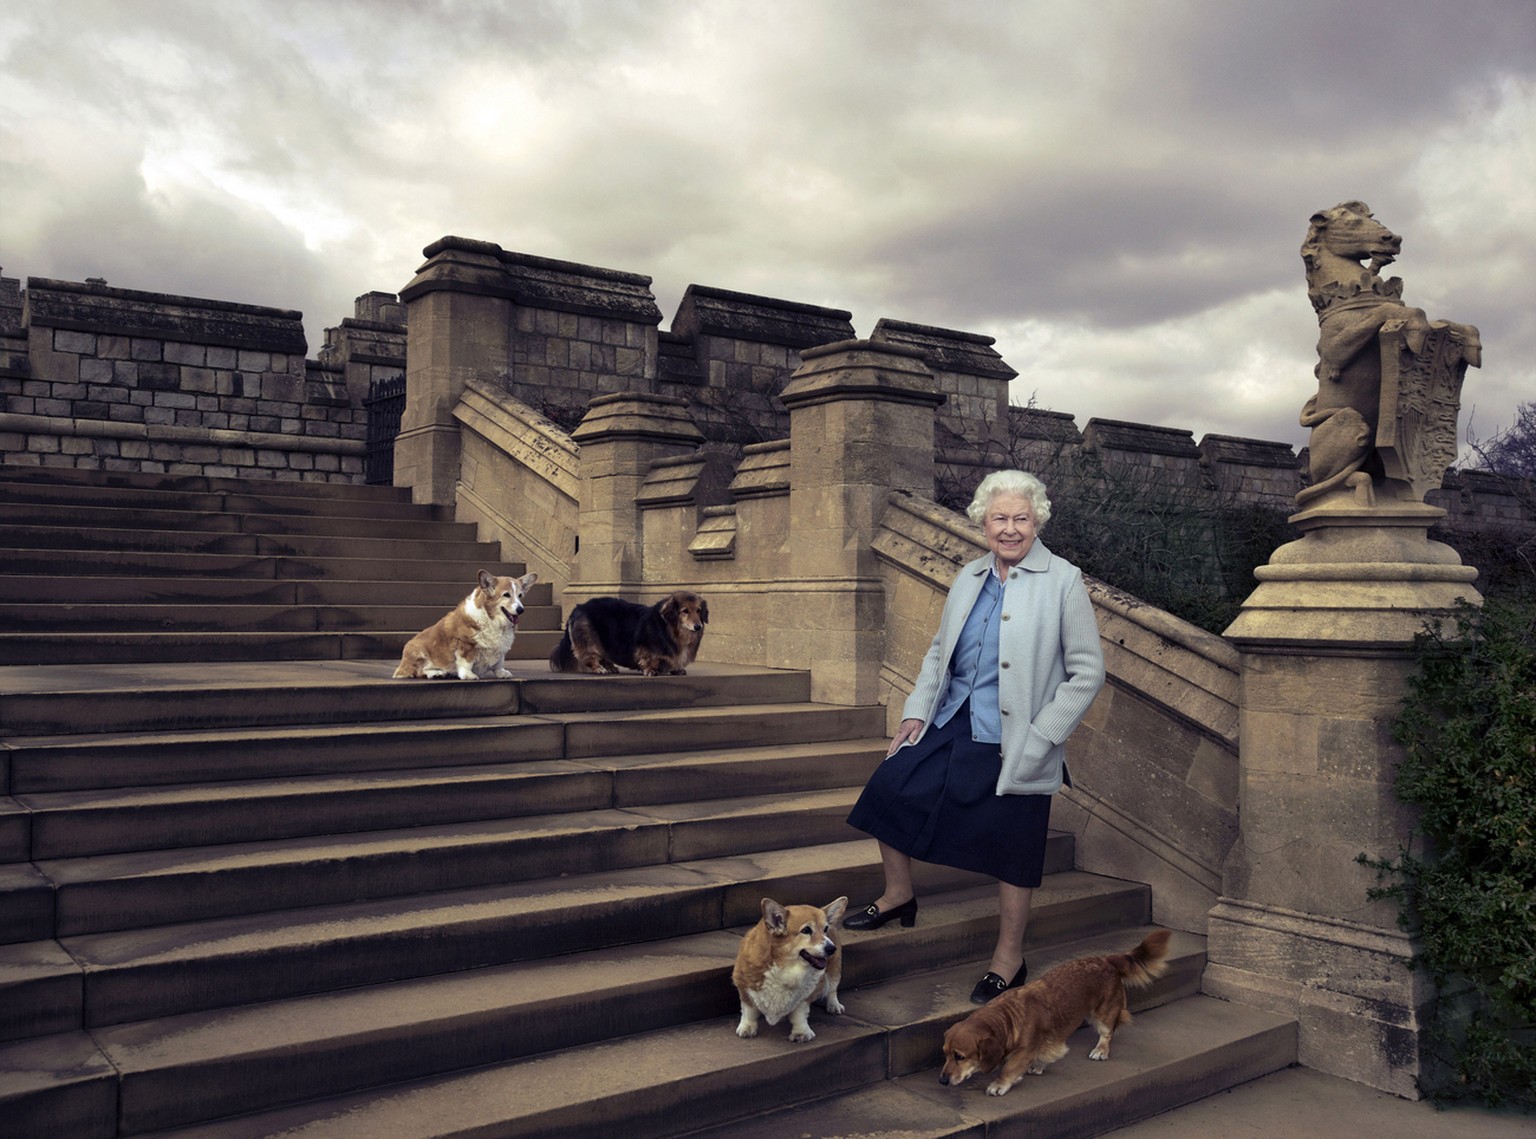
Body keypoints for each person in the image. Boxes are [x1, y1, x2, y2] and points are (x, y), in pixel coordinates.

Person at [843, 469, 1106, 1004]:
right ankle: (898, 896)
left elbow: (1087, 671)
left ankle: (1009, 959)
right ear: (982, 522)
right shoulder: (968, 576)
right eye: (999, 519)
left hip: (1018, 736)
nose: (1009, 529)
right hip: (954, 718)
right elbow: (941, 652)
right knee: (889, 789)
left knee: (1014, 845)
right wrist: (916, 712)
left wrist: (1044, 737)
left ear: (1037, 522)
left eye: (1020, 519)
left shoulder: (1063, 580)